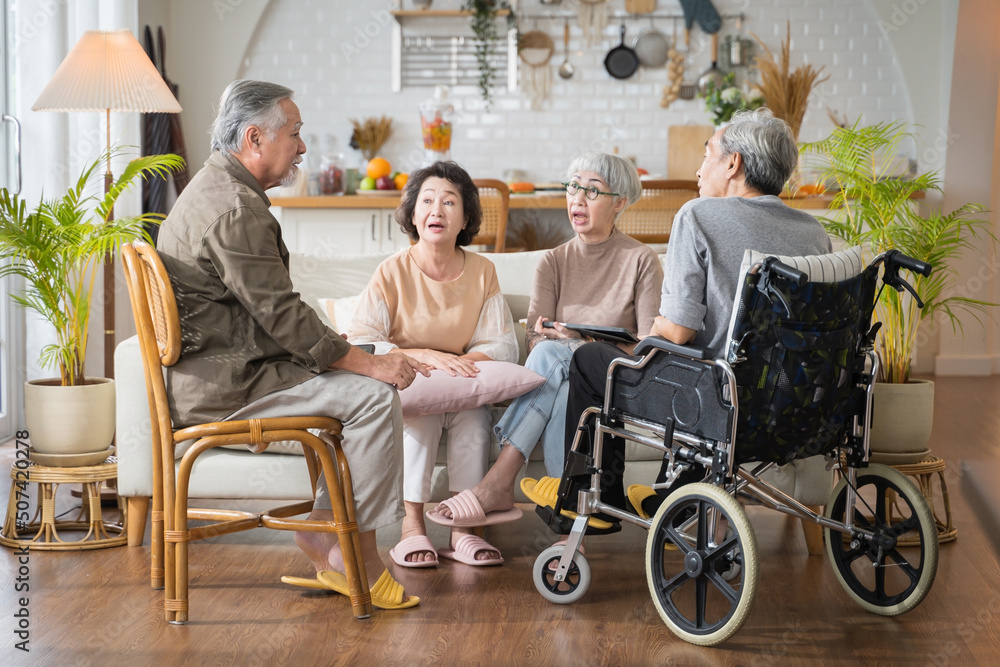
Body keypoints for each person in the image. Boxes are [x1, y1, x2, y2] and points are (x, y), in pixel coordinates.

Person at [156, 80, 428, 609]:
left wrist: (335, 350)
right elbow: (282, 315)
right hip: (230, 388)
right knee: (374, 398)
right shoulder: (236, 209)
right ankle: (353, 558)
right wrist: (368, 365)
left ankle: (325, 534)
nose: (302, 147)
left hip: (223, 372)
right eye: (295, 134)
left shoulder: (213, 187)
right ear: (254, 138)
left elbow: (263, 313)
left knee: (353, 377)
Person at [545, 108, 834, 520]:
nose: (699, 171)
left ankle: (592, 504)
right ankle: (673, 499)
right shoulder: (812, 231)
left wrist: (641, 338)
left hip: (714, 398)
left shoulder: (698, 215)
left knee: (592, 360)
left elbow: (678, 331)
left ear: (734, 163)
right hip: (788, 402)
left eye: (706, 156)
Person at [426, 152, 663, 526]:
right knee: (563, 385)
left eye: (592, 191)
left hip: (615, 380)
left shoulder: (642, 260)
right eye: (573, 188)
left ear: (620, 203)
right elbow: (535, 342)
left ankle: (501, 479)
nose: (578, 200)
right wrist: (559, 343)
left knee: (557, 353)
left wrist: (579, 338)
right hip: (566, 379)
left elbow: (649, 349)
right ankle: (568, 516)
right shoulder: (552, 261)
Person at [347, 161, 520, 568]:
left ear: (465, 218)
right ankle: (412, 529)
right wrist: (423, 357)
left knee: (475, 419)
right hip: (412, 382)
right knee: (419, 421)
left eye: (448, 202)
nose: (436, 211)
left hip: (461, 383)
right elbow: (361, 339)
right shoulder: (391, 271)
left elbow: (502, 345)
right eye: (426, 201)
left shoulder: (483, 271)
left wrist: (456, 365)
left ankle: (465, 532)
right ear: (412, 213)